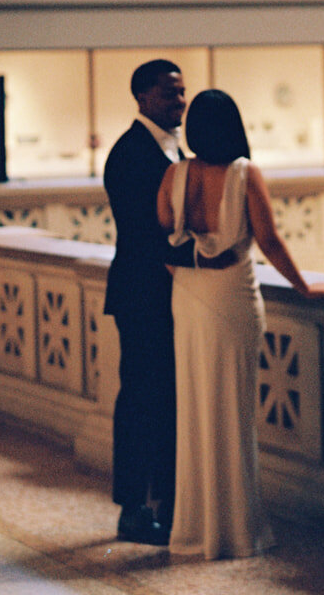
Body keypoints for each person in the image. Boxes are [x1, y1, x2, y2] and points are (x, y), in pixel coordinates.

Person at [157, 88, 324, 560]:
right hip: (233, 296)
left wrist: (182, 272)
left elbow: (162, 233)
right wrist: (303, 287)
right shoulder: (245, 174)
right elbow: (270, 241)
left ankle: (195, 529)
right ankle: (236, 530)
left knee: (194, 407)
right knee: (235, 411)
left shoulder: (174, 175)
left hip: (190, 297)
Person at [102, 58, 191, 545]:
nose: (179, 101)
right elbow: (143, 233)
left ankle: (166, 502)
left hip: (165, 296)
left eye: (181, 93)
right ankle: (133, 509)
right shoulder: (131, 153)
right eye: (169, 93)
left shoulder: (173, 148)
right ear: (142, 97)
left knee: (165, 401)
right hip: (142, 296)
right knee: (140, 400)